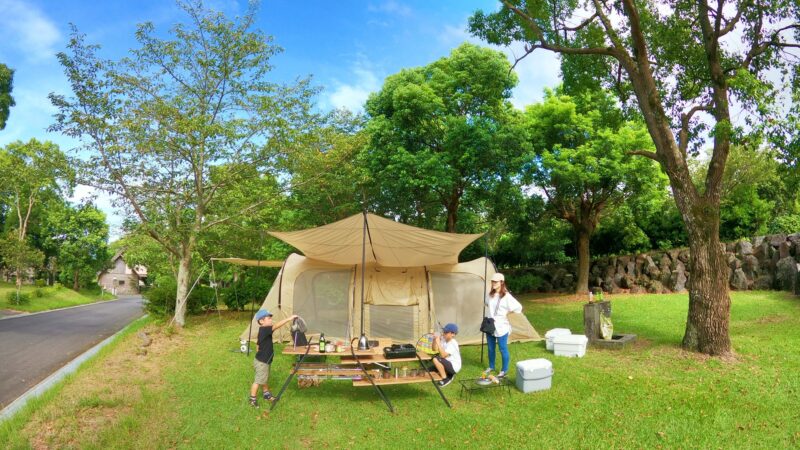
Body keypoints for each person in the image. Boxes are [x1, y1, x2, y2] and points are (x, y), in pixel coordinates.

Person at [249, 309, 297, 408]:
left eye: (271, 318)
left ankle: (266, 394)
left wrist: (260, 352)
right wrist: (289, 318)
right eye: (269, 318)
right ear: (261, 321)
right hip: (262, 362)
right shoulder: (265, 329)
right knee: (258, 380)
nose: (271, 320)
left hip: (264, 360)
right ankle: (252, 399)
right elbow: (276, 326)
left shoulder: (262, 331)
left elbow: (258, 344)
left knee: (264, 378)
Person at [483, 273, 523, 378]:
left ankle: (504, 370)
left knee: (502, 348)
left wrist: (505, 314)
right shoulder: (490, 295)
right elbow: (487, 303)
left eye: (496, 281)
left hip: (501, 326)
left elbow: (518, 308)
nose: (493, 283)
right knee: (491, 348)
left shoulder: (507, 296)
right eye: (492, 281)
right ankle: (491, 366)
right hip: (490, 325)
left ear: (501, 282)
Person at [431, 323, 461, 387]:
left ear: (453, 334)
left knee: (435, 359)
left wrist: (438, 343)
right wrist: (434, 340)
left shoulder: (453, 343)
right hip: (446, 362)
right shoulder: (444, 340)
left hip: (454, 366)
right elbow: (434, 349)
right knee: (428, 370)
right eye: (444, 331)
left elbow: (443, 355)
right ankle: (447, 373)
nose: (443, 333)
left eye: (446, 332)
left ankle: (445, 378)